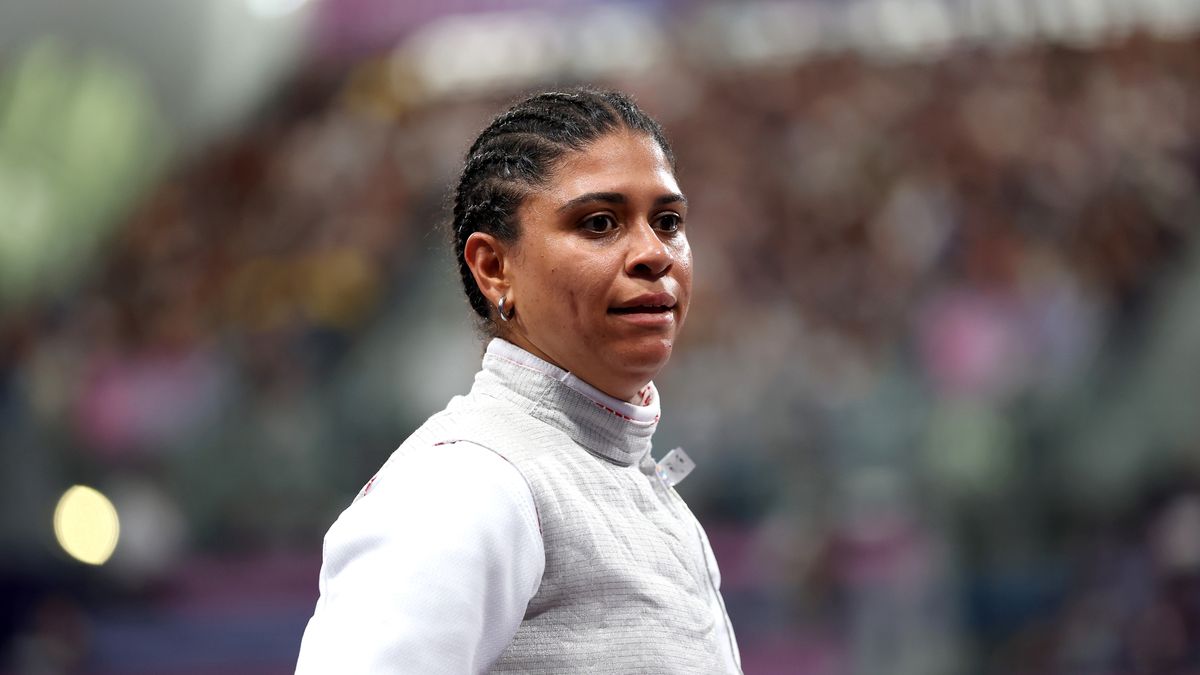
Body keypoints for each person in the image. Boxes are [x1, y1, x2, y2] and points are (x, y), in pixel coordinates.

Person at [295, 88, 742, 674]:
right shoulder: (466, 484)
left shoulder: (622, 477)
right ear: (494, 268)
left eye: (668, 222)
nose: (652, 254)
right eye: (600, 223)